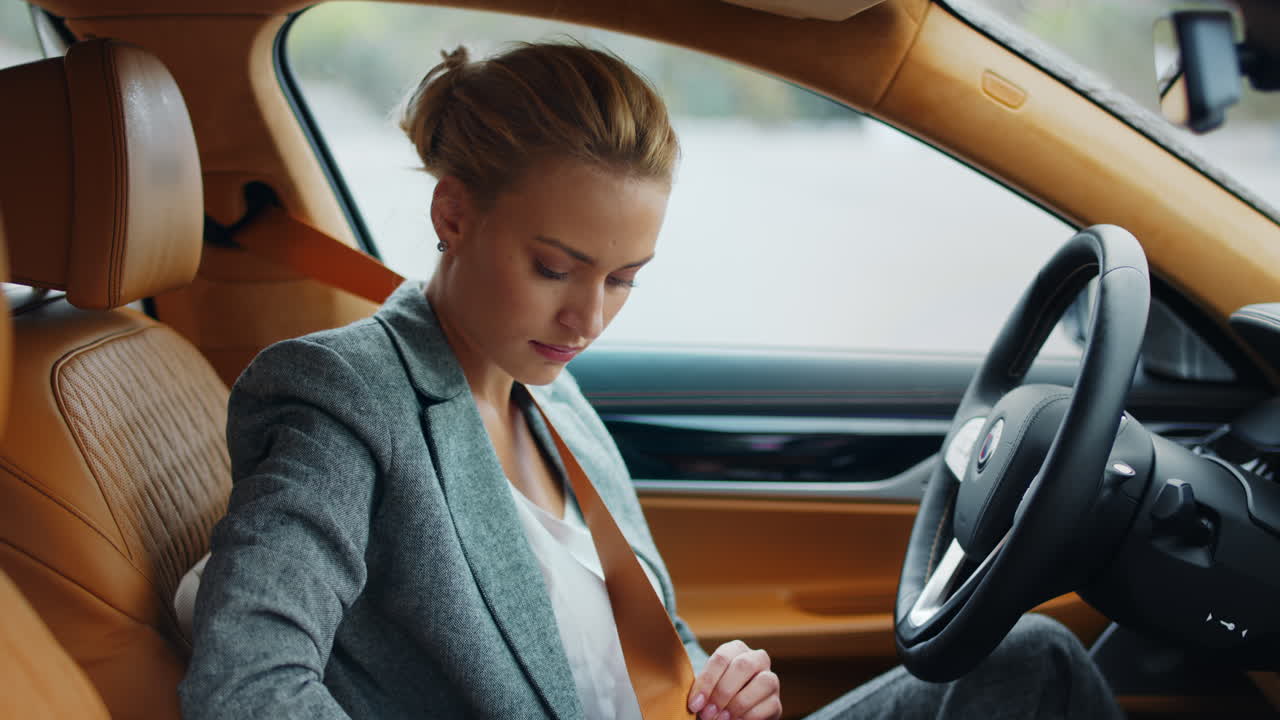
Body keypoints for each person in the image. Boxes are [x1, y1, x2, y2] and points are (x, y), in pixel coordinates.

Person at [178, 41, 1123, 720]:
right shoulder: (342, 396)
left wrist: (719, 683)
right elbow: (247, 686)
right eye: (556, 268)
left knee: (1031, 658)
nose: (588, 319)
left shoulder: (556, 396)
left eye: (624, 279)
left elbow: (638, 643)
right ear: (453, 215)